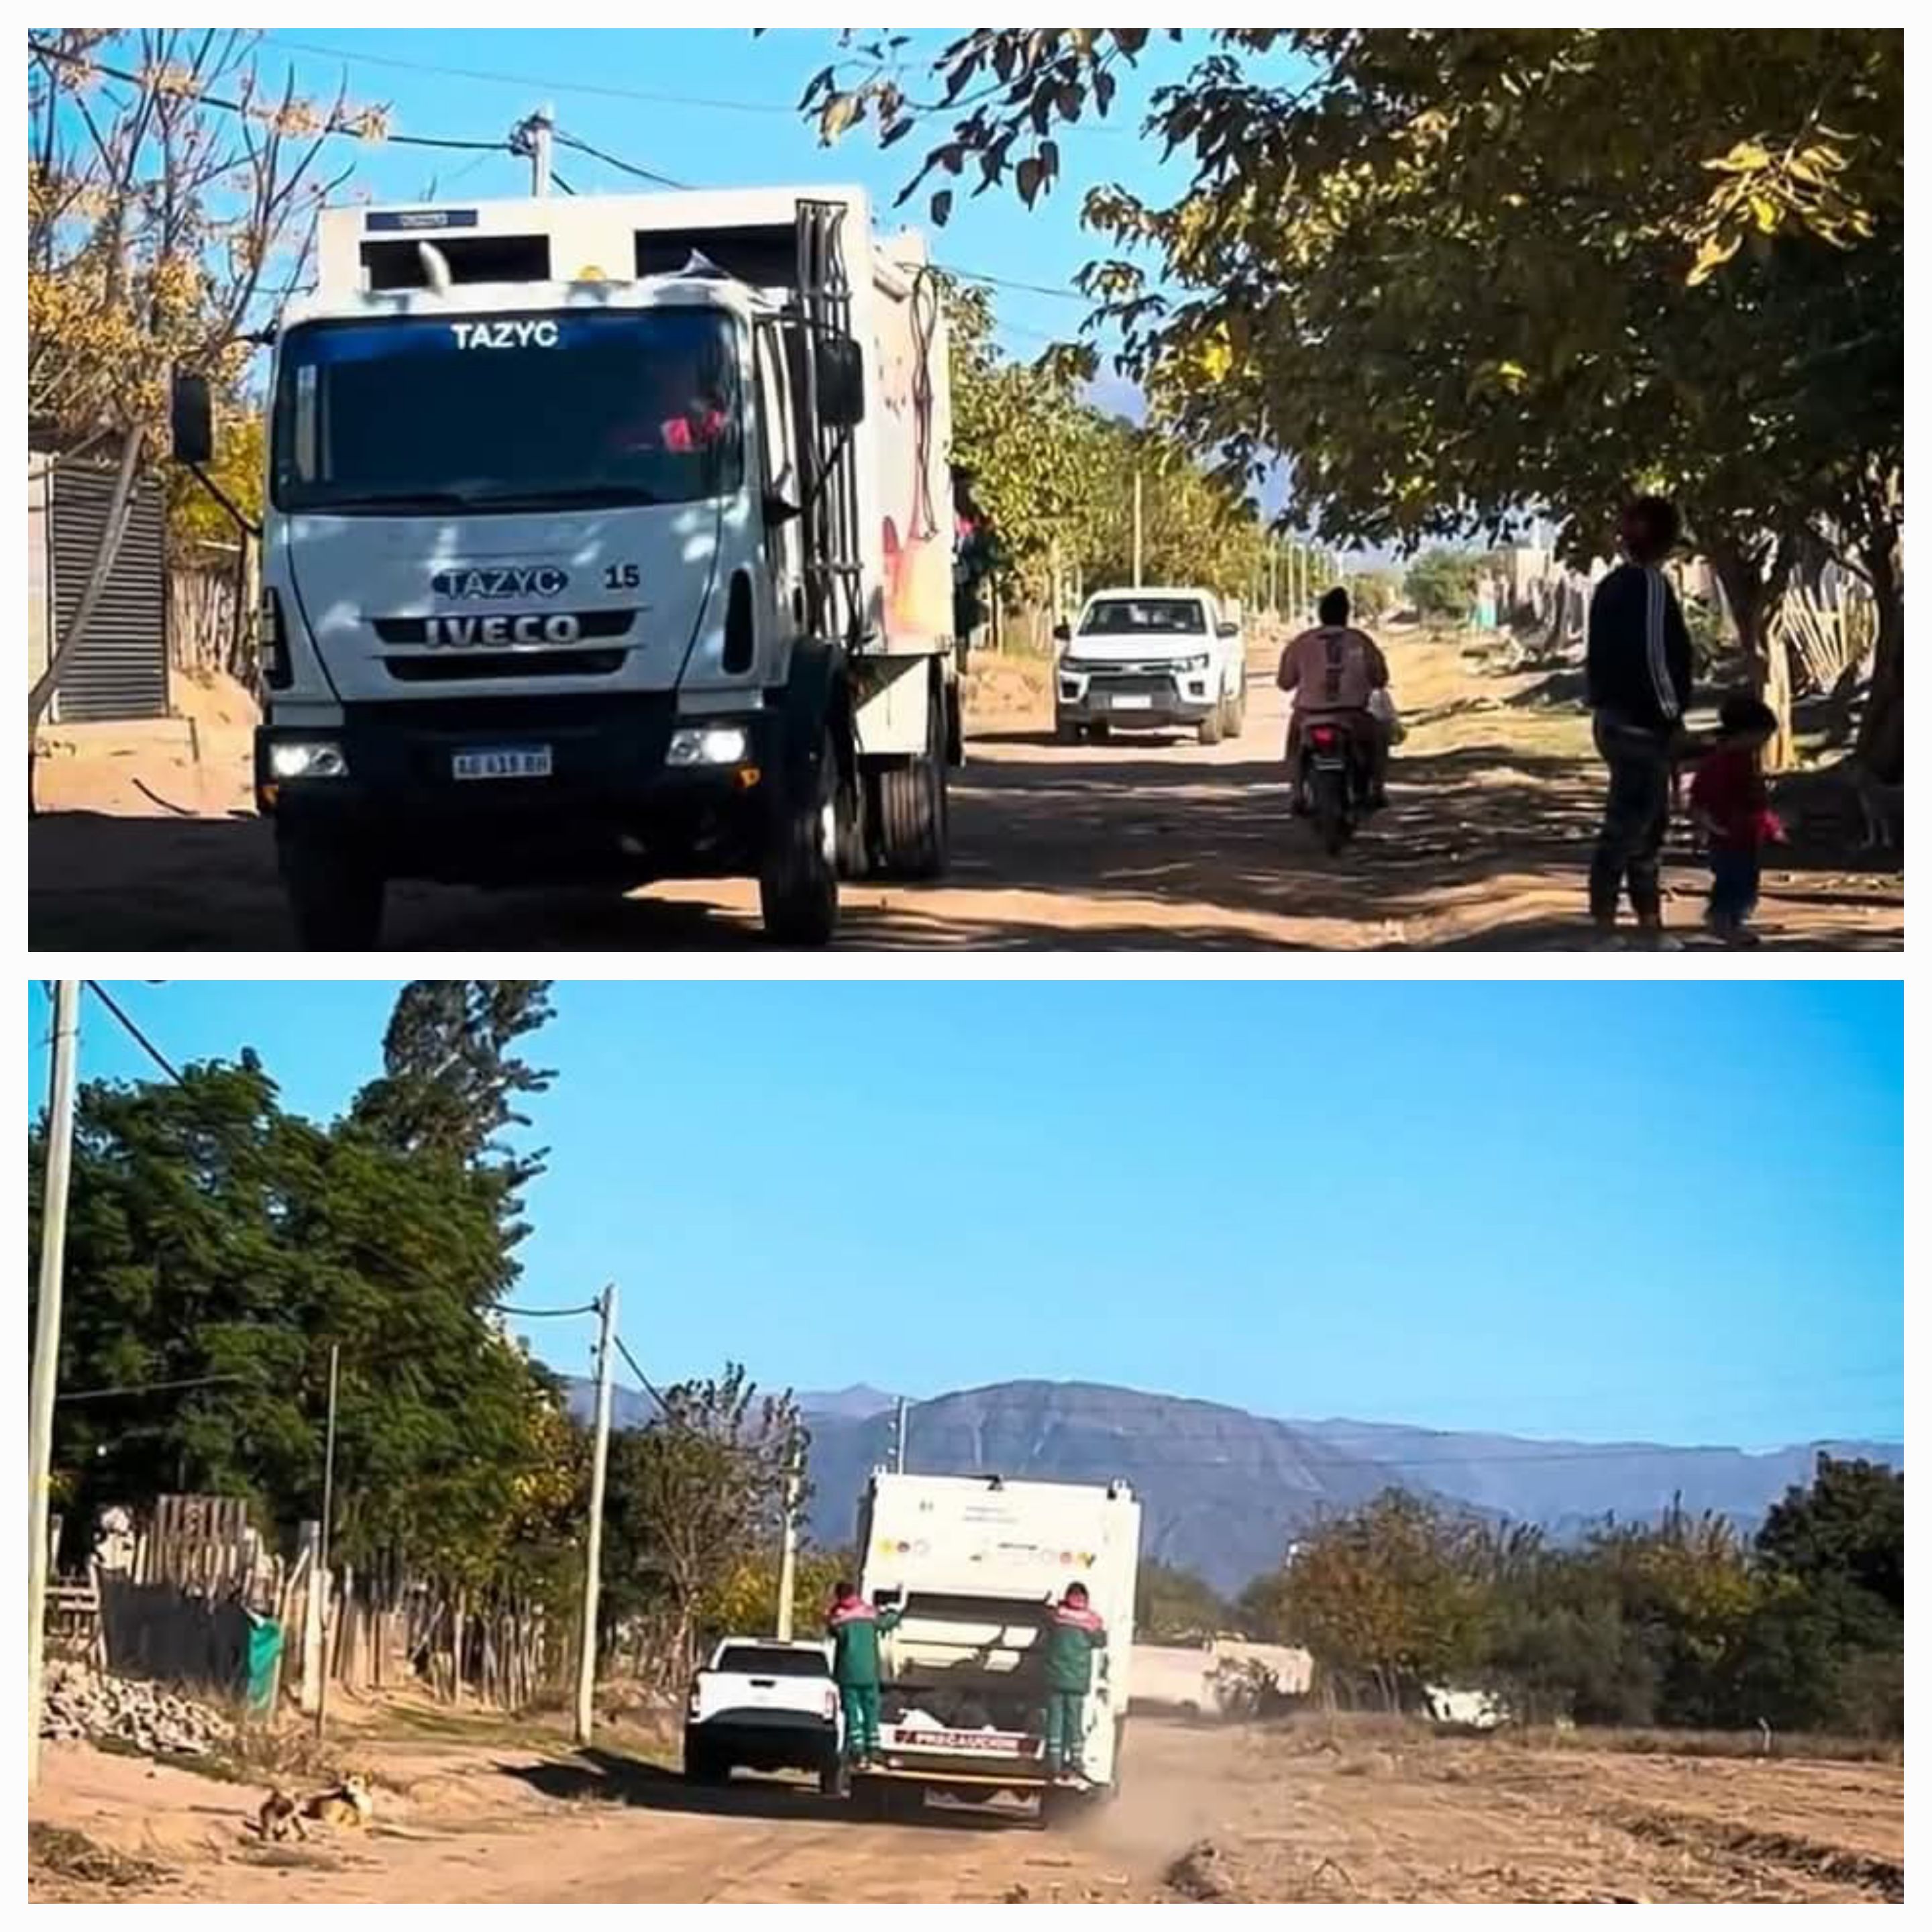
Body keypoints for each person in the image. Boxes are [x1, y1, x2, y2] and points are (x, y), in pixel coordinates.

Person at [1585, 496, 1695, 948]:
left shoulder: (1611, 585)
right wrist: (1672, 716)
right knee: (1632, 829)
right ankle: (1609, 926)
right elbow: (1655, 657)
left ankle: (1645, 925)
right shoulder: (1648, 585)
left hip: (1615, 720)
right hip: (1640, 725)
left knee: (1644, 825)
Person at [1277, 586, 1393, 808]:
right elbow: (1380, 678)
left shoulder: (1301, 643)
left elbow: (1284, 683)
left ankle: (1297, 792)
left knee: (1294, 746)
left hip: (1308, 715)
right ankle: (1377, 790)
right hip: (1353, 715)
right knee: (1379, 738)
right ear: (1347, 614)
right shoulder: (1360, 641)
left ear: (1320, 614)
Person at [1688, 695, 1784, 947]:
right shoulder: (1721, 762)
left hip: (1746, 834)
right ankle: (1724, 923)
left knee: (1746, 879)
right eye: (1762, 736)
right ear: (1744, 733)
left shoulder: (1745, 761)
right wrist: (1706, 823)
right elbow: (1701, 796)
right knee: (1733, 879)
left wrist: (1770, 827)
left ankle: (1731, 921)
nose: (1764, 742)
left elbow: (1755, 800)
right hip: (1726, 833)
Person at [826, 1580, 904, 1770]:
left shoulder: (839, 1617)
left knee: (852, 1712)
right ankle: (874, 1748)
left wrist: (831, 1616)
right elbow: (890, 1621)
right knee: (871, 1710)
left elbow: (834, 1631)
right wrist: (893, 1609)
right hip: (869, 1673)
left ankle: (857, 1750)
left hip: (848, 1673)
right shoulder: (869, 1613)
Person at [1042, 1582, 1108, 1789]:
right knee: (1074, 1721)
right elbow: (1101, 1641)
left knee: (1055, 1720)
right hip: (1077, 1682)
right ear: (1085, 1600)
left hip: (1054, 1679)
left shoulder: (1057, 1618)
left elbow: (1046, 1616)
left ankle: (1054, 1761)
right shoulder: (1091, 1622)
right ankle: (1076, 1760)